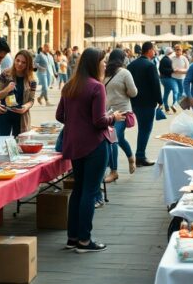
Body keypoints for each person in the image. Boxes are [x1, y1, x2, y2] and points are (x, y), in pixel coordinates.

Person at [56, 47, 125, 253]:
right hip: (95, 144)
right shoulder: (96, 86)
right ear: (94, 63)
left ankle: (72, 238)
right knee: (90, 191)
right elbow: (99, 121)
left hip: (74, 143)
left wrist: (77, 122)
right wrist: (114, 117)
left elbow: (60, 115)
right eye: (103, 61)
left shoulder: (69, 85)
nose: (105, 64)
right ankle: (85, 241)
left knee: (78, 189)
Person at [103, 48, 138, 186]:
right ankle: (130, 158)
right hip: (109, 113)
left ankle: (114, 171)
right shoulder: (118, 73)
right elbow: (133, 93)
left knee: (113, 139)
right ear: (122, 59)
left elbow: (133, 93)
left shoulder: (122, 73)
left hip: (122, 112)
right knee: (119, 139)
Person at [127, 41, 162, 167]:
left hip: (135, 102)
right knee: (145, 129)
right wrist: (160, 101)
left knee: (142, 128)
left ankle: (140, 155)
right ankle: (140, 156)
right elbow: (155, 84)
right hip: (147, 103)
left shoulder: (131, 65)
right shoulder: (150, 65)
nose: (155, 52)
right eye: (154, 49)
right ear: (149, 50)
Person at [0, 50, 37, 137]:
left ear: (28, 64)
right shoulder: (5, 74)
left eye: (24, 62)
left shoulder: (32, 80)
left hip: (21, 116)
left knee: (19, 142)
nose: (19, 64)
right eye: (17, 60)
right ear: (14, 60)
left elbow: (31, 100)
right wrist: (7, 89)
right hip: (4, 113)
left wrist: (26, 107)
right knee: (3, 141)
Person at [159, 47, 178, 114]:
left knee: (166, 93)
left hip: (164, 79)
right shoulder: (166, 60)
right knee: (176, 90)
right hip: (167, 78)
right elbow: (162, 70)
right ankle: (174, 104)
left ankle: (166, 108)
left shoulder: (164, 59)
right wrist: (173, 70)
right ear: (170, 53)